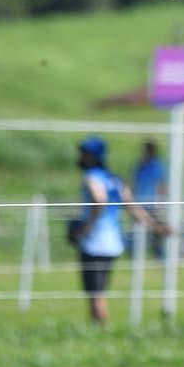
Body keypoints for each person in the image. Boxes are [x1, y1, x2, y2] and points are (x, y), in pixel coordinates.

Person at [69, 135, 161, 325]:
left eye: (83, 154)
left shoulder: (92, 177)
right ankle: (100, 329)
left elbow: (99, 198)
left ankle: (100, 330)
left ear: (92, 156)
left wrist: (87, 227)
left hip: (93, 243)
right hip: (113, 244)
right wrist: (154, 226)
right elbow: (132, 206)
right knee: (100, 292)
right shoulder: (114, 179)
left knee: (95, 294)